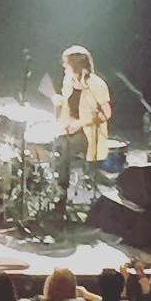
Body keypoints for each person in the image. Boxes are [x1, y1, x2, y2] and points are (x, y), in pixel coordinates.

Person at [49, 45, 112, 217]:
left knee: (65, 146)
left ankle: (60, 195)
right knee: (52, 140)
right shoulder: (68, 81)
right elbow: (69, 108)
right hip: (70, 127)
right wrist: (60, 102)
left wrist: (80, 123)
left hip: (89, 132)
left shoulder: (96, 85)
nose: (63, 66)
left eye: (66, 63)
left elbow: (106, 113)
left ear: (75, 65)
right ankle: (50, 188)